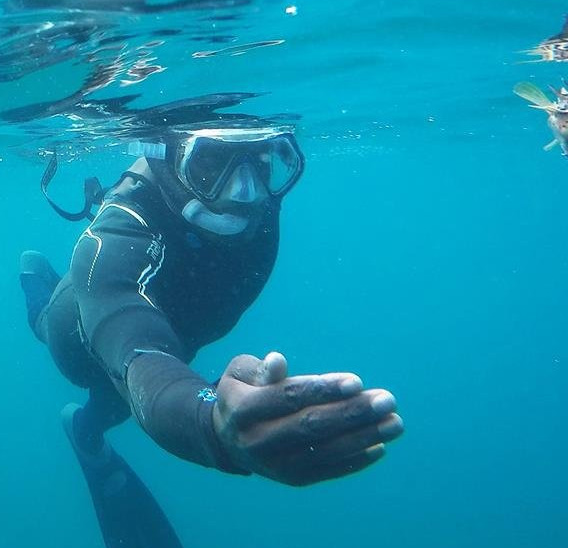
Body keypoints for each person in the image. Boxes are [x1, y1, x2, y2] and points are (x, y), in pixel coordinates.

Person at [20, 125, 404, 548]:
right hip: (80, 338)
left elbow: (156, 363)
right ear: (166, 159)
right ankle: (35, 282)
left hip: (170, 349)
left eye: (263, 164)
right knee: (56, 334)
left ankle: (86, 427)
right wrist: (211, 426)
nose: (245, 193)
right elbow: (142, 356)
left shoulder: (257, 205)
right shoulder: (108, 245)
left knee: (115, 405)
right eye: (208, 165)